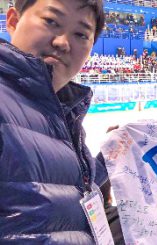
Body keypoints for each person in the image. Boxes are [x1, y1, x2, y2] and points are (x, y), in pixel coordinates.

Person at [0, 0, 110, 243]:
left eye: (80, 34)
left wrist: (109, 161)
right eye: (51, 21)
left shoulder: (61, 111)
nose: (62, 42)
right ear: (13, 21)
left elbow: (54, 186)